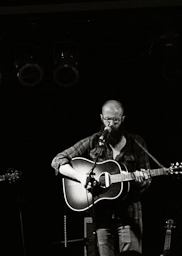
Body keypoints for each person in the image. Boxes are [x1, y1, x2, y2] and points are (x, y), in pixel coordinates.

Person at [51, 99, 152, 256]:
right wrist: (80, 176)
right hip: (102, 217)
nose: (110, 124)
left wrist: (141, 179)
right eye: (107, 119)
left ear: (123, 119)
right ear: (101, 118)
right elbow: (58, 160)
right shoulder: (93, 142)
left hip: (129, 217)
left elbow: (147, 180)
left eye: (116, 120)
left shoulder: (136, 143)